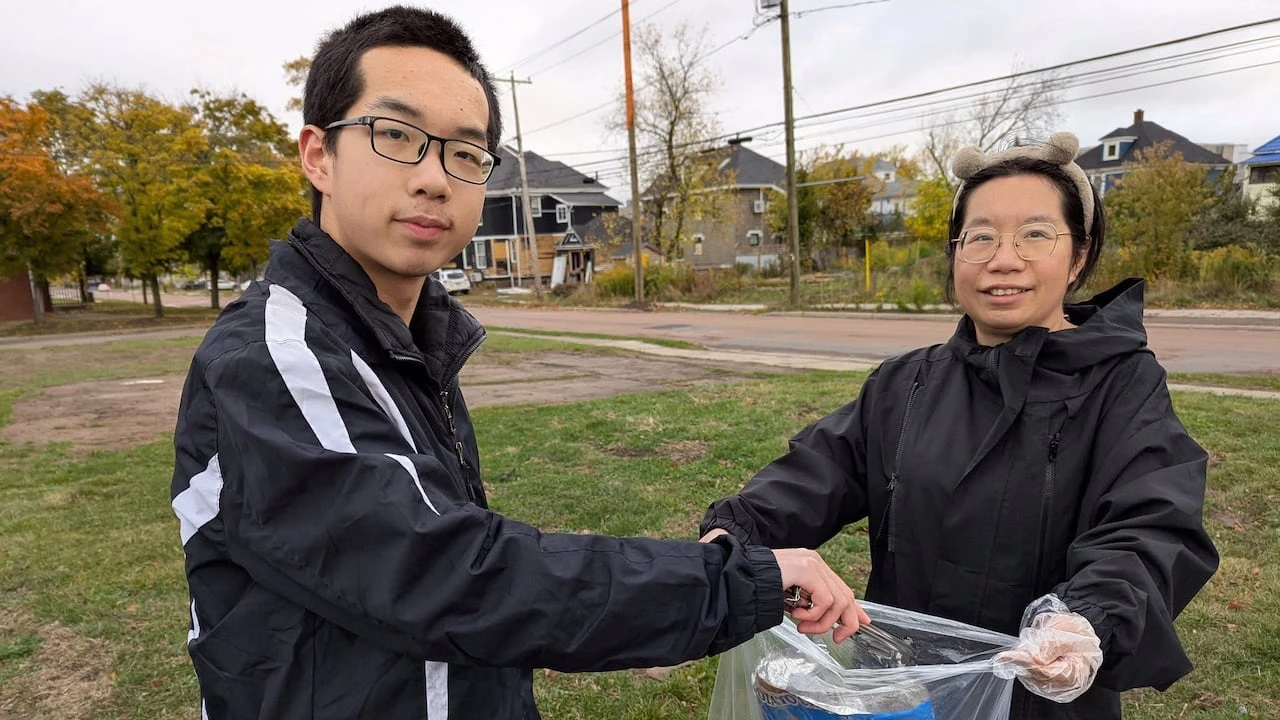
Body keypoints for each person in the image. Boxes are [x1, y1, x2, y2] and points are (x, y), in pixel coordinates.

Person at [168, 6, 869, 719]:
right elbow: (447, 576)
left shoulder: (399, 336)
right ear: (318, 154)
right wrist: (735, 581)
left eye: (465, 153)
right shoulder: (277, 356)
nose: (434, 178)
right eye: (397, 135)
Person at [700, 133, 1219, 719]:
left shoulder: (1122, 386)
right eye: (981, 237)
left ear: (1079, 256)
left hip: (1041, 701)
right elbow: (811, 477)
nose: (1004, 258)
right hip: (902, 692)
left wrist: (1086, 622)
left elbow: (1151, 527)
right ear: (956, 254)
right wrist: (722, 548)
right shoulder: (905, 383)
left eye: (1035, 234)